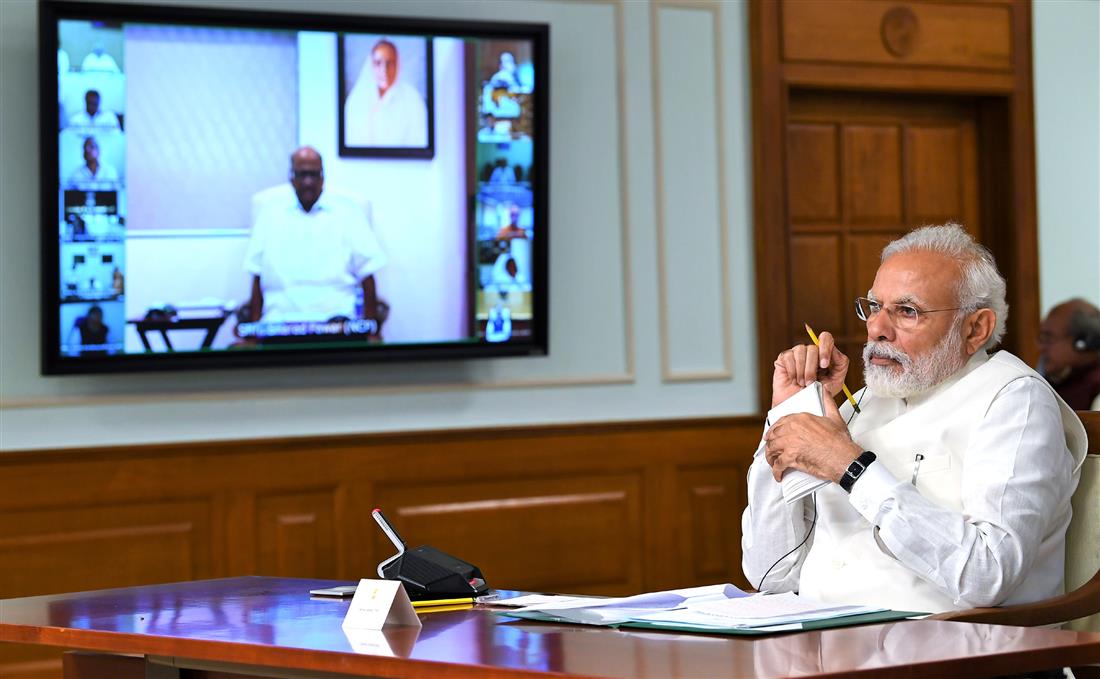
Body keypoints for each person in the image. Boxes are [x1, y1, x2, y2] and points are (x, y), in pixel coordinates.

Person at [742, 223, 1087, 615]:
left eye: (907, 311)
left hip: (960, 655)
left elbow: (987, 576)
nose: (876, 328)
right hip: (831, 646)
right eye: (874, 307)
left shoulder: (1015, 400)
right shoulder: (866, 401)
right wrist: (789, 413)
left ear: (976, 328)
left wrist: (851, 468)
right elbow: (771, 575)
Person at [244, 146, 387, 330]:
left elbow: (368, 274)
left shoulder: (348, 212)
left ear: (323, 177)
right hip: (279, 323)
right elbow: (257, 274)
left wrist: (371, 330)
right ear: (291, 177)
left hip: (337, 325)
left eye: (314, 174)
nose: (308, 182)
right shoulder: (270, 214)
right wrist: (254, 333)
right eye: (302, 175)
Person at [344, 39, 428, 147]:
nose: (384, 70)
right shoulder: (356, 100)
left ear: (397, 65)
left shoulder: (413, 99)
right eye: (378, 63)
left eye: (389, 63)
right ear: (371, 65)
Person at [1038, 298, 1100, 410]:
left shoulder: (1095, 390)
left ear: (1081, 343)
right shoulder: (1064, 381)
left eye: (1048, 338)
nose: (1041, 348)